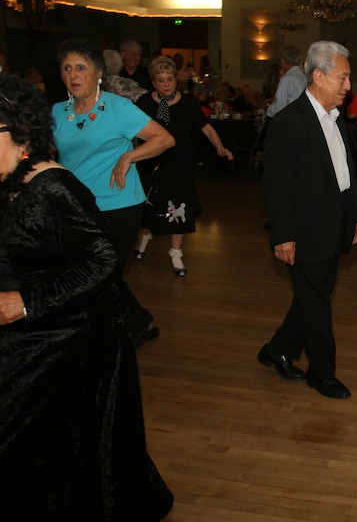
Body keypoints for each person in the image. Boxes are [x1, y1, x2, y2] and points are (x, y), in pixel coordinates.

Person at [0, 74, 173, 520]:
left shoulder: (53, 190)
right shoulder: (7, 182)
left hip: (66, 339)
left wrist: (26, 302)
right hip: (28, 337)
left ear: (20, 135)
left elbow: (101, 263)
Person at [52, 38, 175, 345]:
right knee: (93, 275)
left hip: (118, 204)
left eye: (81, 67)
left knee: (102, 274)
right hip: (76, 207)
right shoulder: (56, 112)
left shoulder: (119, 108)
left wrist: (129, 155)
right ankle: (137, 322)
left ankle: (108, 334)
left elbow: (164, 139)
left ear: (98, 74)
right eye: (67, 68)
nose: (73, 74)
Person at [258, 41, 357, 399]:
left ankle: (277, 349)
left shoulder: (335, 119)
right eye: (343, 77)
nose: (349, 85)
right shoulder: (290, 122)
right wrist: (283, 235)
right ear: (318, 77)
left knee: (311, 298)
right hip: (304, 234)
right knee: (317, 305)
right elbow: (276, 186)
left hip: (335, 228)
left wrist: (356, 216)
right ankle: (323, 374)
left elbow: (345, 173)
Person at [133, 56, 233, 275]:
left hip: (180, 163)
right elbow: (131, 130)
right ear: (153, 82)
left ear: (176, 79)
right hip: (151, 162)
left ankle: (176, 253)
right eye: (161, 80)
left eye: (170, 79)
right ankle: (144, 237)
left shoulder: (187, 102)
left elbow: (206, 127)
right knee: (150, 204)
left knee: (178, 206)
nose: (167, 84)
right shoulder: (143, 102)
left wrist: (219, 146)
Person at [266, 44, 307, 118]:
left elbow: (279, 106)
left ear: (283, 61)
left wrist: (268, 111)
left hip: (289, 119)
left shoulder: (287, 79)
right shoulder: (303, 77)